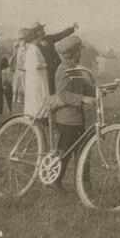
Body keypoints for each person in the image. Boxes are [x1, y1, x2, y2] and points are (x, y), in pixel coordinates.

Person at [50, 35, 96, 190]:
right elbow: (63, 94)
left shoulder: (75, 69)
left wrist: (100, 90)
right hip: (66, 120)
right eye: (79, 52)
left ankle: (84, 183)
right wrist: (83, 99)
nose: (80, 54)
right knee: (64, 153)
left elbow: (85, 86)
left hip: (76, 119)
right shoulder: (64, 70)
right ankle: (54, 180)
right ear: (73, 53)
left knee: (83, 151)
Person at [26, 21, 78, 95]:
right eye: (39, 30)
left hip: (56, 66)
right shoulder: (34, 46)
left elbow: (60, 35)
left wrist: (71, 28)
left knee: (59, 86)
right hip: (46, 70)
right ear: (35, 32)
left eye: (42, 29)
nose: (42, 31)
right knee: (49, 88)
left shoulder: (49, 38)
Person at [24, 26, 49, 118]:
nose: (39, 39)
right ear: (34, 39)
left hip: (34, 76)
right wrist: (45, 64)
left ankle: (36, 113)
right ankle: (38, 113)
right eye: (38, 37)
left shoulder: (32, 48)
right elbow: (36, 64)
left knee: (36, 95)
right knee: (38, 94)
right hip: (37, 77)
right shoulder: (33, 49)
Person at [9, 28, 29, 105]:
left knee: (24, 87)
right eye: (20, 39)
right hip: (20, 70)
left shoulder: (25, 46)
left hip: (23, 70)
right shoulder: (18, 46)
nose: (22, 41)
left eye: (23, 39)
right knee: (22, 86)